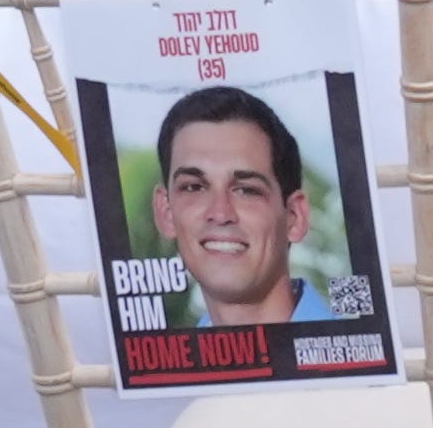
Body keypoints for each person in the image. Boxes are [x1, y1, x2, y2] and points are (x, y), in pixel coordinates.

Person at [145, 85, 340, 327]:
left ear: (295, 217)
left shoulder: (368, 358)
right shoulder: (167, 363)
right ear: (165, 213)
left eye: (246, 190)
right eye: (194, 187)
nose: (220, 213)